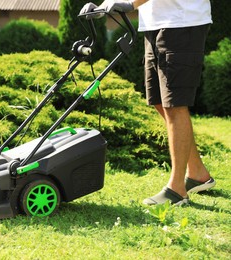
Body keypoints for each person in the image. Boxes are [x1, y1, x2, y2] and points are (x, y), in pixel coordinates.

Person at [81, 0, 216, 205]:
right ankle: (197, 173)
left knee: (174, 104)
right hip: (155, 24)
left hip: (181, 23)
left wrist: (131, 4)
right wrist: (105, 5)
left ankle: (177, 189)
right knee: (160, 102)